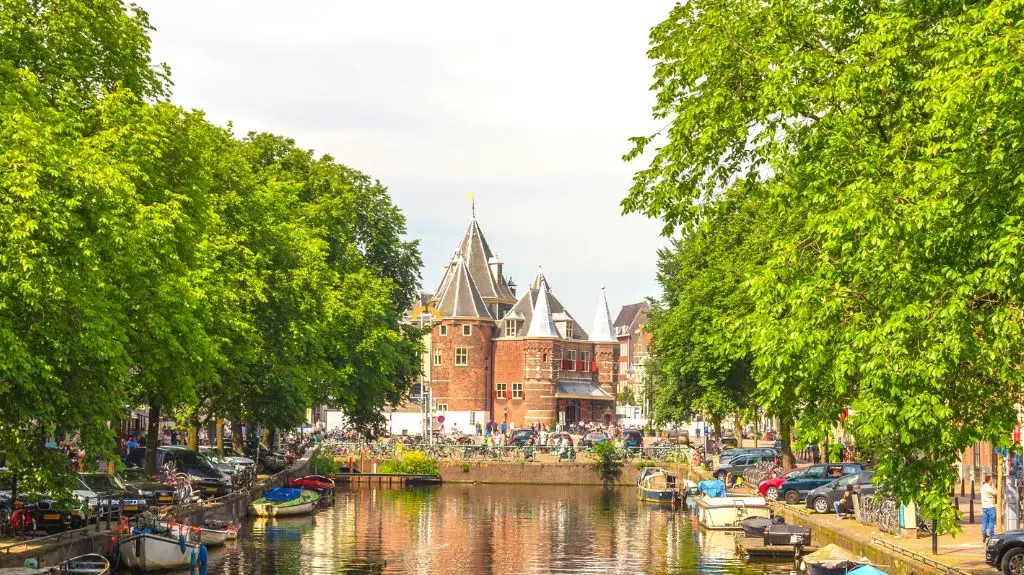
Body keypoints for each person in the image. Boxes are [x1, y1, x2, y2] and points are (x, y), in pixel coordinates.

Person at [982, 474, 997, 542]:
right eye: (992, 480)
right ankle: (991, 534)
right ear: (990, 480)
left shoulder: (982, 487)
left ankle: (984, 533)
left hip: (984, 506)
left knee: (985, 521)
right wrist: (994, 487)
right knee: (991, 520)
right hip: (990, 506)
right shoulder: (989, 487)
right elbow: (996, 493)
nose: (992, 481)